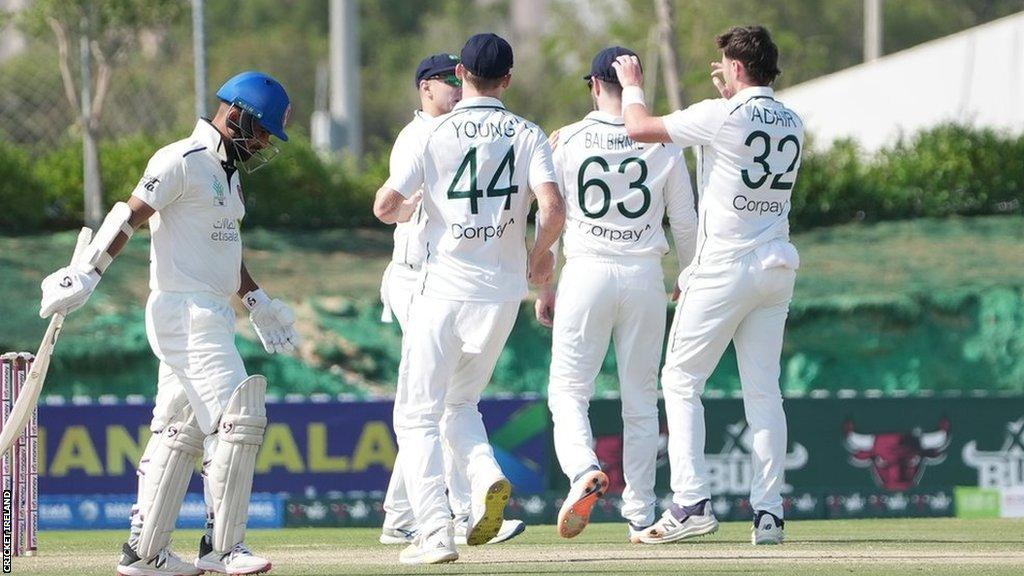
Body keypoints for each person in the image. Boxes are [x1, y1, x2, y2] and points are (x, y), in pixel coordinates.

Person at [39, 71, 299, 575]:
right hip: (184, 311)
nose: (265, 142)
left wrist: (257, 302)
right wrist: (87, 273)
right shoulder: (180, 159)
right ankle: (223, 548)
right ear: (235, 115)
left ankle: (146, 554)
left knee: (179, 431)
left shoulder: (228, 174)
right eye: (262, 129)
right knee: (237, 415)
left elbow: (224, 247)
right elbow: (131, 215)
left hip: (211, 311)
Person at [373, 33, 565, 564]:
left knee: (415, 416)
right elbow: (552, 207)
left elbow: (384, 205)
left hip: (442, 289)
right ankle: (485, 482)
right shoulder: (528, 133)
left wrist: (411, 208)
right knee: (460, 405)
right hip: (502, 294)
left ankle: (433, 532)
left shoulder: (433, 133)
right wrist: (542, 257)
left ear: (461, 74)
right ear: (507, 79)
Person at [613, 25, 804, 546]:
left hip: (727, 267)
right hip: (777, 264)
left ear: (737, 68)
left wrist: (630, 83)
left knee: (679, 380)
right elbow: (738, 141)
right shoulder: (792, 118)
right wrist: (729, 97)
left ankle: (691, 502)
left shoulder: (722, 114)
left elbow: (638, 129)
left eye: (726, 64)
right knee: (764, 393)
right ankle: (769, 514)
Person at [540, 46, 696, 542]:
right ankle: (642, 511)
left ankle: (584, 468)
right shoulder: (661, 141)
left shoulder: (565, 140)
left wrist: (545, 284)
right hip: (643, 273)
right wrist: (687, 275)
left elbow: (550, 215)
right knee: (641, 401)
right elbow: (687, 223)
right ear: (634, 83)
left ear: (593, 85)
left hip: (585, 271)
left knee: (568, 391)